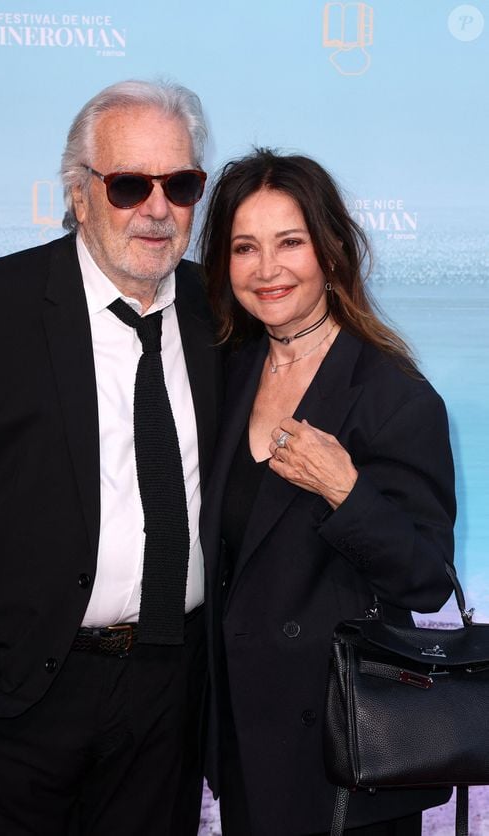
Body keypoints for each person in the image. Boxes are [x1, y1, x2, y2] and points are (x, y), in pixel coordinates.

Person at [0, 79, 222, 836]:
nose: (157, 208)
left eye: (179, 185)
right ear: (80, 195)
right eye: (127, 185)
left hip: (169, 696)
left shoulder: (224, 313)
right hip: (16, 695)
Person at [198, 149, 456, 836]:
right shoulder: (225, 378)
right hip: (246, 746)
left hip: (345, 761)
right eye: (244, 247)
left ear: (332, 250)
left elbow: (427, 578)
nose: (266, 269)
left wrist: (348, 491)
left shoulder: (393, 396)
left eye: (290, 242)